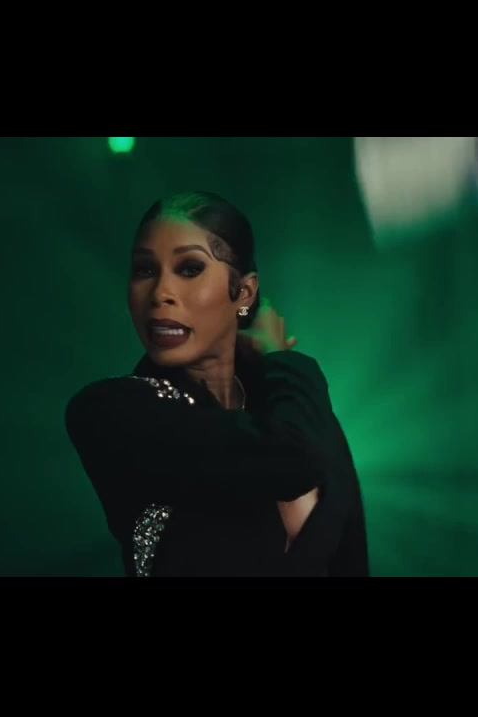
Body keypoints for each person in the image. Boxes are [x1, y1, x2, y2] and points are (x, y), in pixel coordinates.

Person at [64, 190, 369, 577]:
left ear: (243, 292)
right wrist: (280, 356)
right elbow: (292, 461)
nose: (160, 294)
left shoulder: (299, 413)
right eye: (144, 270)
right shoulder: (109, 412)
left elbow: (351, 561)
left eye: (189, 268)